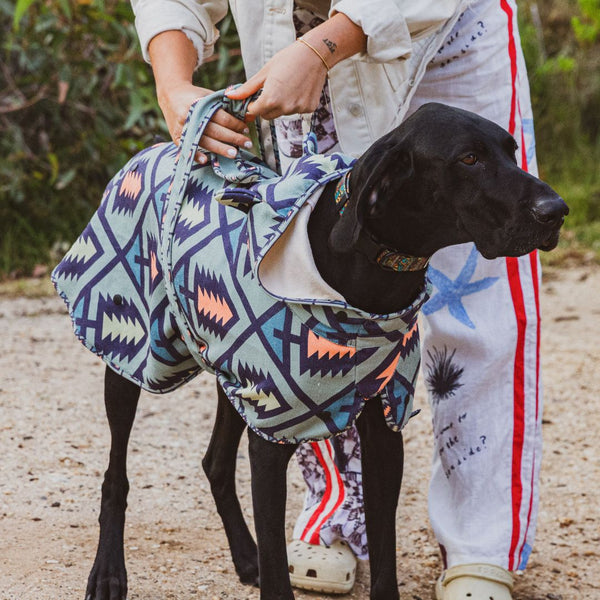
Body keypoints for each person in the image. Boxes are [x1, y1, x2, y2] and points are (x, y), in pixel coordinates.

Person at [130, 1, 543, 598]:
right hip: (292, 32)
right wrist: (174, 84)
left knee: (475, 288)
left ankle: (480, 545)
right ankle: (336, 519)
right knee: (317, 290)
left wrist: (327, 44)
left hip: (445, 23)